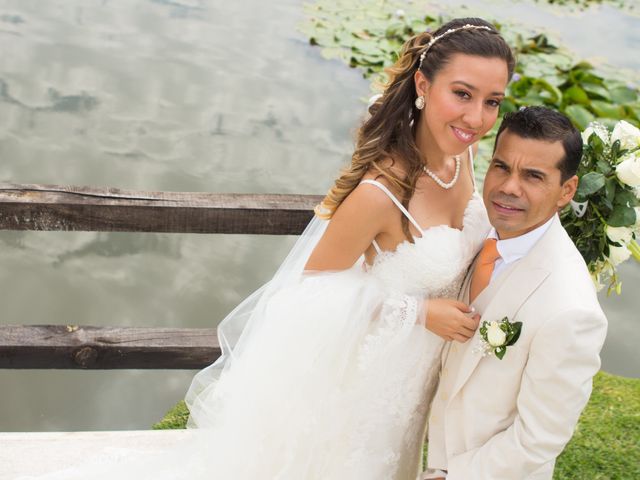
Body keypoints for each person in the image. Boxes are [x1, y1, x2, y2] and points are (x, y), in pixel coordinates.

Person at [18, 17, 514, 480]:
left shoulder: (463, 156)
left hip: (415, 376)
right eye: (463, 94)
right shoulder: (378, 193)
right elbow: (309, 292)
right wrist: (418, 311)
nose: (477, 116)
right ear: (424, 86)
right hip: (364, 383)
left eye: (492, 100)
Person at [424, 106, 608, 480]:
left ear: (566, 191)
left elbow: (539, 437)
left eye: (533, 176)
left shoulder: (570, 310)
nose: (509, 187)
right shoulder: (475, 227)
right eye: (502, 166)